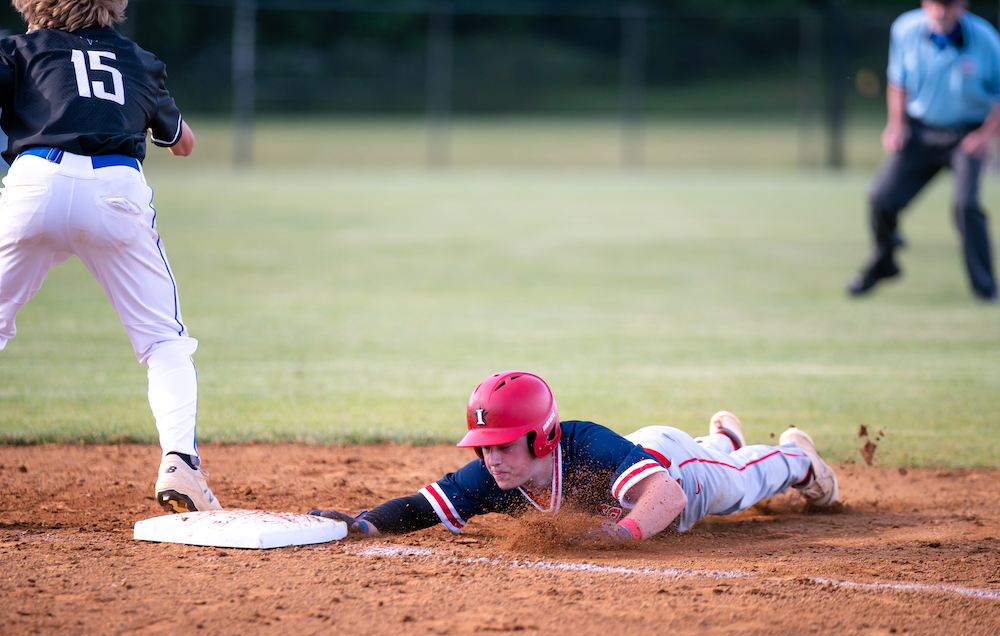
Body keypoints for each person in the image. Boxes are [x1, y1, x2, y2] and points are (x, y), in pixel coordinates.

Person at [0, 0, 221, 512]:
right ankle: (180, 464)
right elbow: (182, 143)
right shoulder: (137, 59)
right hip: (116, 190)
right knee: (163, 341)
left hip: (35, 181)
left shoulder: (19, 49)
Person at [310, 371, 839, 544]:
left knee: (741, 484)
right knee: (722, 456)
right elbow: (424, 506)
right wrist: (361, 525)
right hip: (643, 462)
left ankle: (798, 458)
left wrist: (623, 534)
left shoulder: (586, 444)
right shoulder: (494, 476)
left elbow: (668, 494)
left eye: (502, 445)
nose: (491, 459)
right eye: (484, 448)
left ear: (542, 438)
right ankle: (723, 437)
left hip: (676, 468)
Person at [848, 0, 1000, 301]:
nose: (942, 11)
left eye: (949, 4)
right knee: (881, 198)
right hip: (920, 131)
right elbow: (897, 81)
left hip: (966, 135)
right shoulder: (905, 29)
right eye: (936, 4)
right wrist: (896, 125)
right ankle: (884, 261)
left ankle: (985, 288)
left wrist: (985, 135)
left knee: (966, 205)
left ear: (962, 5)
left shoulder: (985, 39)